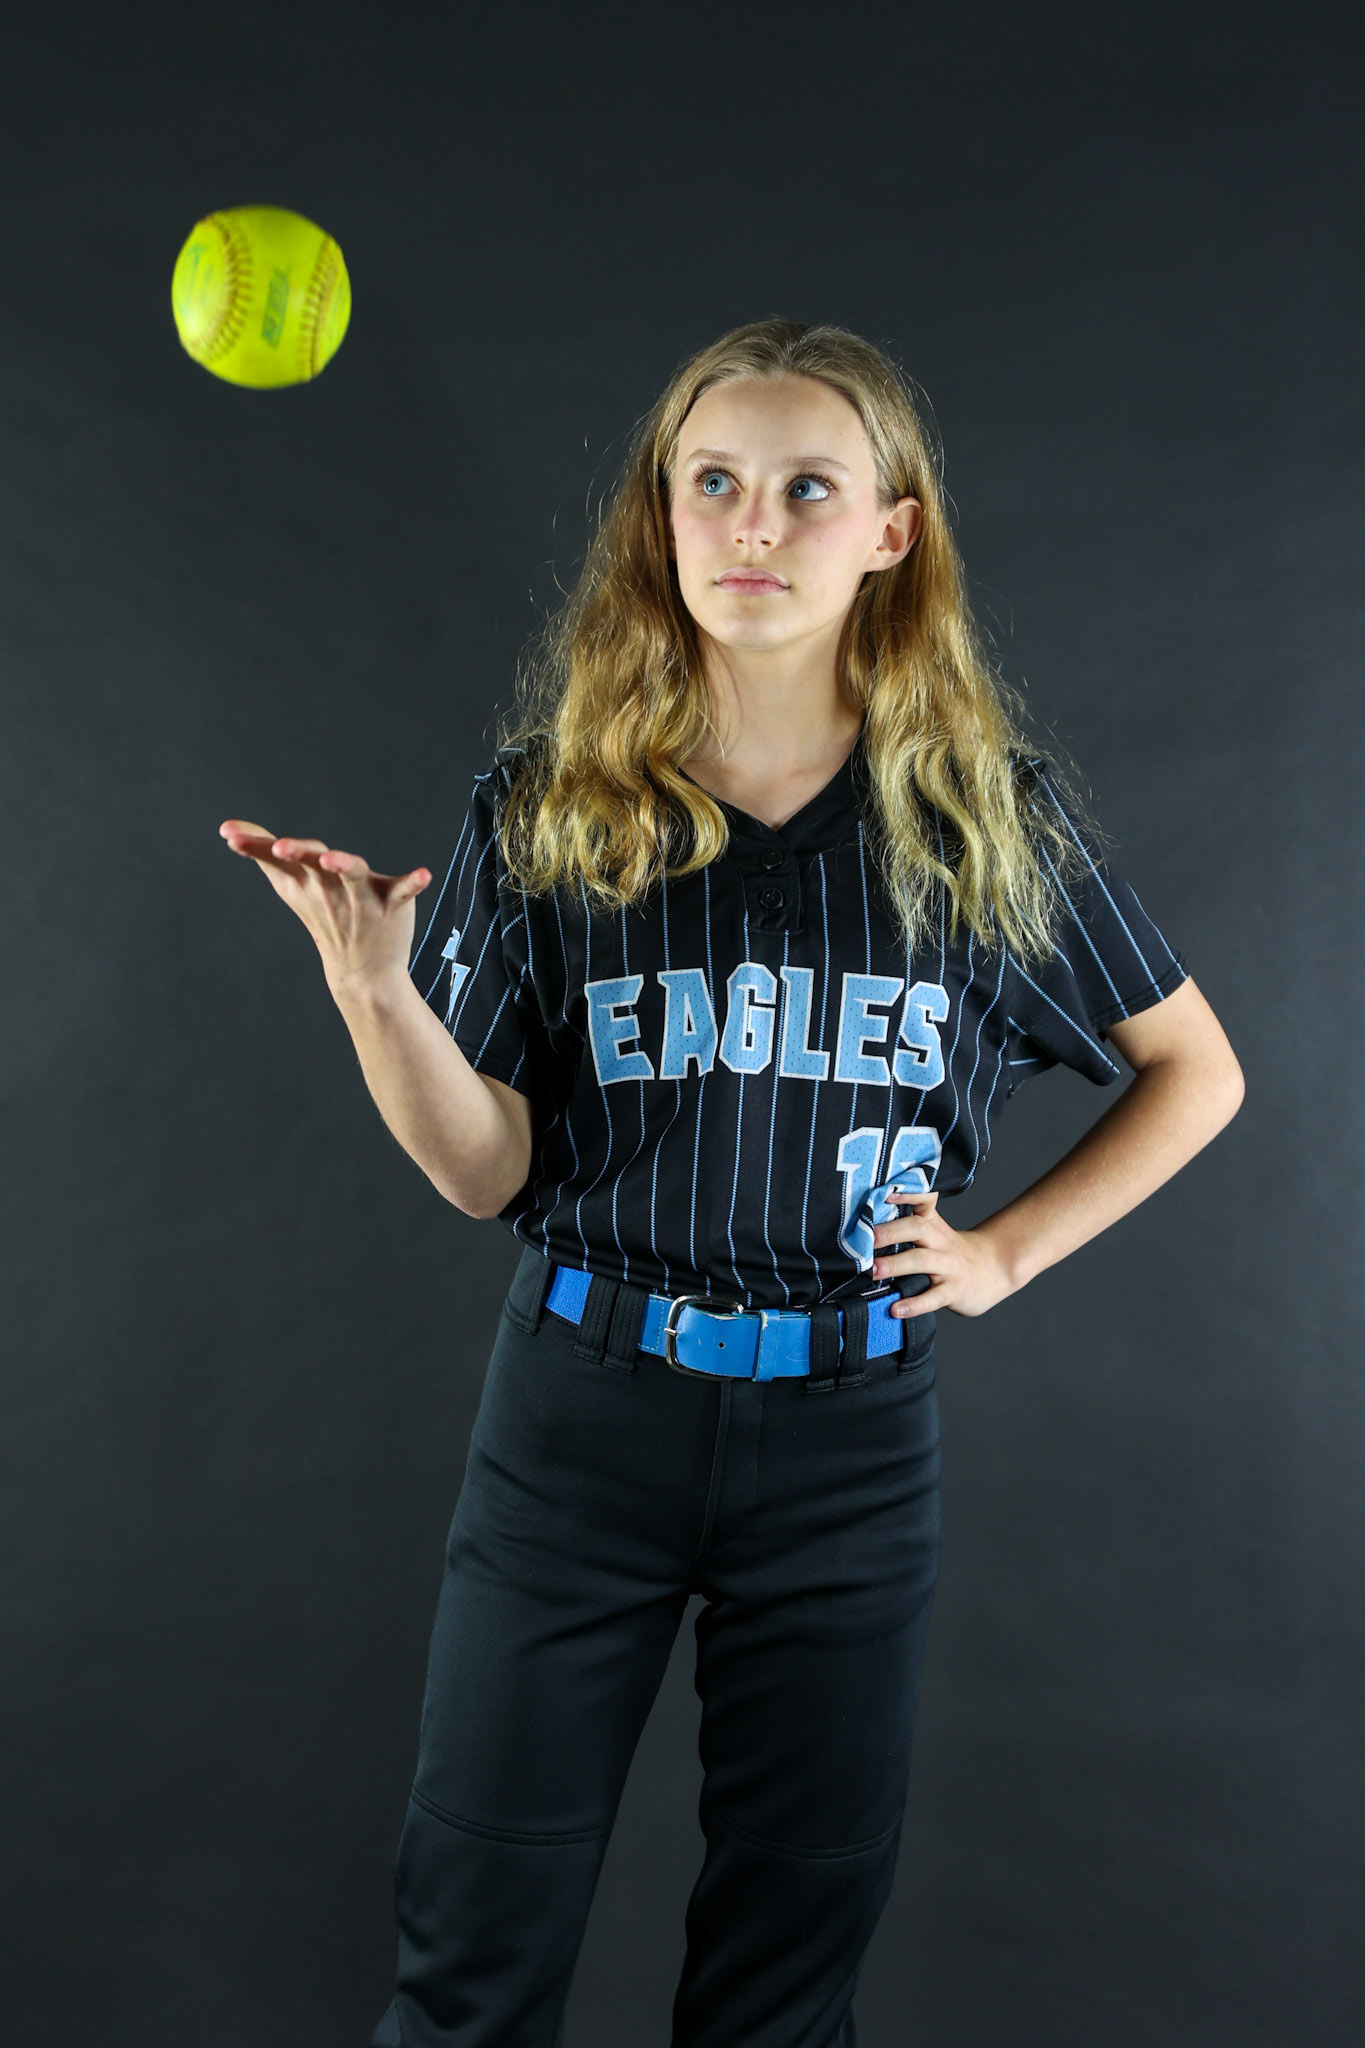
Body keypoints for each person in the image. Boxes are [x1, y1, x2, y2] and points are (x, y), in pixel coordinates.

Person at [220, 318, 1244, 2048]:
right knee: (472, 1948)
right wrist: (373, 993)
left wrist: (1000, 1256)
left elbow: (1194, 1071)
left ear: (888, 534)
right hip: (579, 1425)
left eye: (803, 488)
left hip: (846, 1442)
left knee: (784, 1982)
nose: (750, 524)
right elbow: (489, 1176)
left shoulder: (988, 820)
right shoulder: (547, 809)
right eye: (712, 484)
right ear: (662, 517)